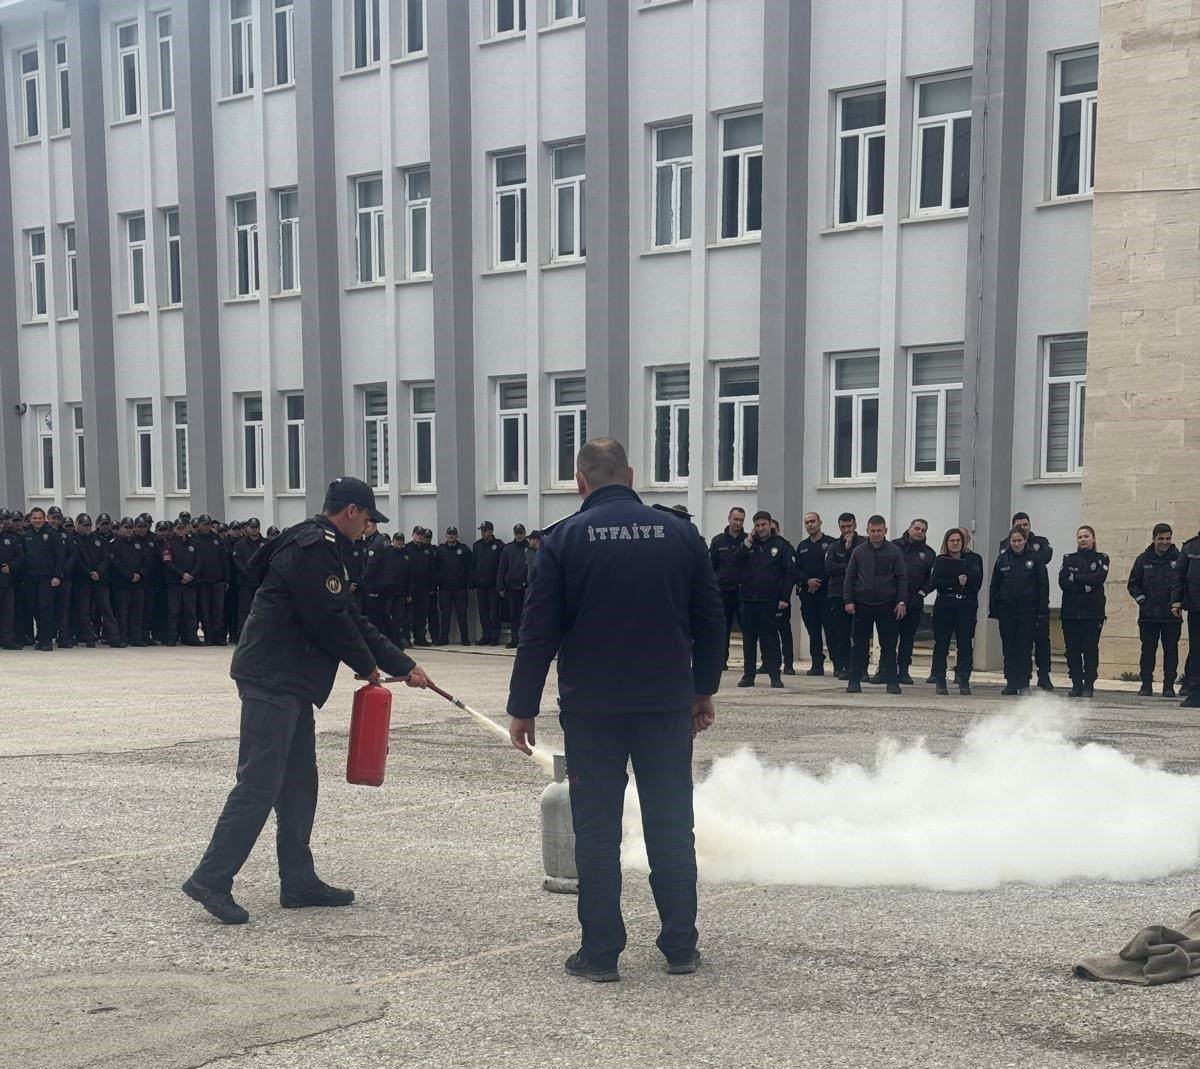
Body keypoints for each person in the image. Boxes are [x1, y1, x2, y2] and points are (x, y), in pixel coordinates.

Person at [506, 438, 723, 982]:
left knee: (597, 831)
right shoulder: (679, 533)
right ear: (629, 473)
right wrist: (703, 690)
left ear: (580, 480)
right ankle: (680, 947)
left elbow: (538, 634)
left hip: (593, 711)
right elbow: (711, 620)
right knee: (671, 826)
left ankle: (600, 953)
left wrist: (523, 708)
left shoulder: (562, 541)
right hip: (665, 706)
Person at [184, 477, 433, 925]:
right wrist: (368, 664)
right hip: (272, 678)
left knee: (300, 783)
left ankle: (298, 882)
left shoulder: (327, 548)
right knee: (259, 783)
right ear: (353, 510)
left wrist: (403, 664)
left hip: (291, 680)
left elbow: (350, 615)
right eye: (369, 519)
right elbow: (329, 619)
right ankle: (210, 879)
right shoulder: (313, 548)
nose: (369, 529)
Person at [843, 516, 908, 695]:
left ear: (885, 531)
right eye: (873, 531)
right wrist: (848, 600)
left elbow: (901, 578)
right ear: (867, 531)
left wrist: (901, 602)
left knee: (888, 646)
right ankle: (854, 681)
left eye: (879, 531)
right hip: (862, 604)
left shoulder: (894, 552)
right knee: (858, 645)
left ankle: (892, 682)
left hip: (887, 605)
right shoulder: (858, 552)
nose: (876, 534)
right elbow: (850, 577)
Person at [732, 512, 790, 689]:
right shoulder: (749, 545)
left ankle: (775, 675)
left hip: (770, 600)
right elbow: (734, 561)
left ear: (770, 524)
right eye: (757, 525)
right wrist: (747, 542)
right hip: (749, 600)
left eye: (763, 525)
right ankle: (748, 675)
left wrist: (785, 598)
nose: (760, 528)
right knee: (749, 640)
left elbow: (789, 573)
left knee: (770, 639)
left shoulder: (781, 545)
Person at [989, 526, 1049, 695]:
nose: (1016, 544)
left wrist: (1042, 611)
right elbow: (995, 585)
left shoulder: (1035, 560)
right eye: (1014, 541)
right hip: (1006, 611)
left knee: (1024, 648)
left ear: (1025, 541)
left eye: (1020, 540)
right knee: (1009, 648)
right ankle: (1010, 683)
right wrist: (994, 609)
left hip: (1028, 611)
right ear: (1010, 541)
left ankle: (1023, 682)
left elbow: (1043, 586)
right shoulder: (1002, 560)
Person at [1002, 513, 1055, 690]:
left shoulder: (1040, 542)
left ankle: (1044, 675)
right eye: (1019, 525)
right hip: (1011, 608)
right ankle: (1013, 681)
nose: (1023, 527)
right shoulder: (1005, 545)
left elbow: (1046, 555)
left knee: (1040, 642)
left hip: (1034, 607)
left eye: (1025, 524)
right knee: (1013, 646)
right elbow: (997, 580)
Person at [1128, 523, 1181, 697]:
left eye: (1168, 538)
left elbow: (1184, 583)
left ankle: (1168, 687)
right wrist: (1141, 600)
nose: (1165, 542)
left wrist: (1178, 602)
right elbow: (1133, 584)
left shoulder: (1179, 559)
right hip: (1148, 616)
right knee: (1147, 652)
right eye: (1161, 539)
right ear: (1154, 539)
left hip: (1171, 616)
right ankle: (1146, 685)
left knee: (1171, 651)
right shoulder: (1143, 559)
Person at [929, 527, 983, 696]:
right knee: (941, 645)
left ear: (964, 542)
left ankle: (964, 678)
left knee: (965, 645)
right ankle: (940, 680)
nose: (955, 543)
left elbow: (976, 581)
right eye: (951, 540)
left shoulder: (974, 559)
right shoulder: (940, 560)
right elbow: (935, 581)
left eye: (958, 540)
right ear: (946, 542)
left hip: (965, 606)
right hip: (945, 606)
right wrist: (954, 581)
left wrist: (964, 582)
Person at [1059, 526, 1110, 698]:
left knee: (1090, 649)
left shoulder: (1102, 558)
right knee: (1072, 650)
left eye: (1086, 536)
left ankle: (1089, 683)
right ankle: (1076, 683)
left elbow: (1098, 579)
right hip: (1070, 613)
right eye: (1080, 536)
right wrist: (1086, 585)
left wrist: (1076, 579)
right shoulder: (1068, 559)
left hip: (1092, 613)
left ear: (1093, 538)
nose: (1083, 539)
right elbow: (1063, 582)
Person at [891, 519, 934, 686]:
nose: (919, 532)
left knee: (908, 638)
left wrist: (922, 593)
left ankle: (903, 671)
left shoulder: (928, 553)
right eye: (916, 528)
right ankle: (885, 670)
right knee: (889, 638)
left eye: (923, 530)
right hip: (893, 600)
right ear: (909, 528)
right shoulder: (894, 547)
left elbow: (932, 578)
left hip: (914, 601)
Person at [72, 513, 122, 649]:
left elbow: (106, 559)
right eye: (83, 525)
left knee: (107, 611)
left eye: (88, 525)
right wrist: (89, 573)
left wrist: (98, 572)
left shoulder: (99, 540)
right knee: (85, 612)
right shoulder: (74, 541)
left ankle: (114, 638)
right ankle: (89, 638)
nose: (86, 528)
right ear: (77, 525)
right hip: (84, 581)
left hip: (100, 581)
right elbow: (76, 560)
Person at [793, 512, 834, 676]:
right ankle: (817, 664)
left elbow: (831, 567)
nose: (810, 525)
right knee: (813, 631)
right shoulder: (802, 546)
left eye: (813, 521)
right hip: (808, 595)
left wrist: (818, 583)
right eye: (807, 522)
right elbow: (796, 569)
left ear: (820, 523)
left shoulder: (831, 544)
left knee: (831, 630)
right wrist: (807, 581)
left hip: (826, 594)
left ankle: (838, 664)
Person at [824, 514, 864, 680]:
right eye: (843, 527)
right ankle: (846, 667)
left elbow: (861, 567)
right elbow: (830, 568)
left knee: (860, 634)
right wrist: (847, 553)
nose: (847, 530)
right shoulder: (833, 546)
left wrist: (849, 554)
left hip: (859, 595)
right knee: (842, 634)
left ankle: (861, 670)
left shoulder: (863, 544)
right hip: (838, 594)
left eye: (849, 526)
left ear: (855, 525)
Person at [708, 508, 748, 672]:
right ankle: (721, 660)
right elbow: (711, 566)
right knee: (722, 629)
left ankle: (749, 662)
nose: (738, 523)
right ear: (729, 519)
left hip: (742, 591)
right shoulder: (718, 541)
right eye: (736, 519)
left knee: (747, 629)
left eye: (741, 520)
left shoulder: (748, 540)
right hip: (723, 591)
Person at [20, 508, 65, 651]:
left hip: (47, 578)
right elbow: (23, 557)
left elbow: (60, 556)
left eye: (40, 518)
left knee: (45, 608)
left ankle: (47, 640)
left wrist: (57, 576)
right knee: (35, 609)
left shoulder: (52, 534)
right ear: (30, 519)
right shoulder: (26, 535)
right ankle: (40, 637)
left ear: (44, 518)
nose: (37, 520)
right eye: (34, 518)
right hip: (30, 578)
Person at [1171, 525, 1200, 705]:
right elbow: (1179, 576)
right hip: (1196, 606)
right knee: (1197, 649)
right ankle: (1195, 689)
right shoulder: (1190, 547)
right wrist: (1176, 601)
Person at [162, 519, 202, 646]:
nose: (180, 530)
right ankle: (171, 638)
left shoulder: (194, 544)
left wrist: (191, 575)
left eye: (182, 528)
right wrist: (182, 574)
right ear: (174, 529)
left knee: (190, 611)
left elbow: (199, 562)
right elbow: (168, 563)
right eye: (178, 528)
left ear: (187, 528)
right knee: (173, 612)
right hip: (174, 583)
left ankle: (190, 637)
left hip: (190, 583)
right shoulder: (168, 544)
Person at [765, 520, 796, 675]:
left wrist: (785, 597)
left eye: (772, 529)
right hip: (764, 598)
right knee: (766, 633)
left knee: (784, 631)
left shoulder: (785, 547)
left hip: (781, 598)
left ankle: (788, 663)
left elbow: (790, 574)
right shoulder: (761, 546)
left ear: (777, 529)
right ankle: (768, 662)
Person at [435, 526, 473, 645]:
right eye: (449, 533)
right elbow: (435, 568)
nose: (451, 536)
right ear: (446, 535)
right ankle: (444, 638)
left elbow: (469, 568)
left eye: (453, 534)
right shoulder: (440, 550)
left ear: (457, 535)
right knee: (445, 615)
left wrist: (469, 583)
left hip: (460, 588)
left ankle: (465, 638)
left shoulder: (464, 549)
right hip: (445, 588)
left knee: (462, 615)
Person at [231, 519, 266, 640]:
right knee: (244, 611)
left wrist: (258, 574)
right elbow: (237, 563)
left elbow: (268, 561)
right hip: (244, 583)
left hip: (260, 583)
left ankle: (260, 637)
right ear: (247, 529)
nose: (254, 529)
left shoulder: (265, 544)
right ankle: (241, 636)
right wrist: (249, 573)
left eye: (256, 527)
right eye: (252, 527)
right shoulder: (240, 545)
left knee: (261, 611)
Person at [498, 524, 531, 648]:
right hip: (511, 588)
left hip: (526, 588)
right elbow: (502, 569)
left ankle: (526, 639)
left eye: (521, 532)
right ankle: (515, 638)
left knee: (527, 614)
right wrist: (500, 586)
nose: (519, 535)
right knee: (513, 615)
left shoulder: (530, 548)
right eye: (517, 533)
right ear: (514, 534)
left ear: (524, 533)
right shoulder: (507, 549)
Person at [472, 521, 504, 645]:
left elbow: (502, 565)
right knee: (483, 612)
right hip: (481, 585)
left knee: (494, 612)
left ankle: (495, 636)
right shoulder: (477, 546)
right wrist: (473, 582)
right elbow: (473, 566)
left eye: (485, 530)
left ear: (491, 531)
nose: (483, 533)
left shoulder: (499, 545)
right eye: (482, 530)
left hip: (493, 585)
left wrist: (500, 584)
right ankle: (486, 635)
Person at [404, 527, 436, 646]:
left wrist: (431, 587)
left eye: (421, 534)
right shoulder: (407, 549)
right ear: (413, 535)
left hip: (424, 588)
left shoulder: (428, 550)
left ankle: (420, 638)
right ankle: (406, 639)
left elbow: (432, 570)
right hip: (411, 588)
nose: (420, 536)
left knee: (421, 615)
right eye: (417, 534)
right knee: (408, 615)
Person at [0, 515, 24, 649]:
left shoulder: (10, 540)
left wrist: (11, 566)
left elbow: (20, 557)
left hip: (7, 582)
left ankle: (7, 639)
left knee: (8, 612)